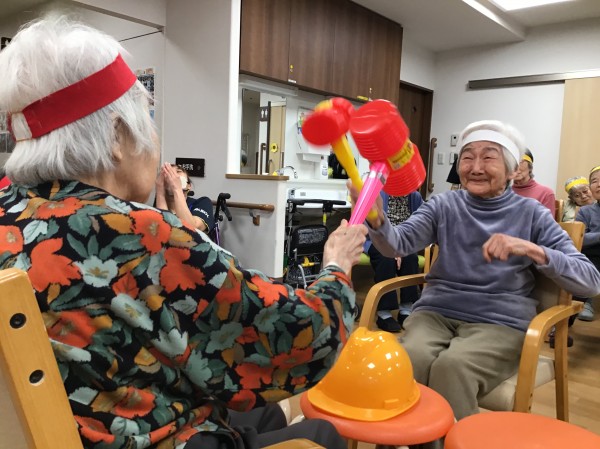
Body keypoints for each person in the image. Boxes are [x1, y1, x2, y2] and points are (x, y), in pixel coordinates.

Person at [0, 16, 368, 449]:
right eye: (148, 119)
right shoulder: (139, 235)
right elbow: (303, 334)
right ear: (117, 135)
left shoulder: (11, 212)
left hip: (86, 418)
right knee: (321, 432)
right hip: (155, 435)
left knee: (262, 412)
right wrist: (336, 266)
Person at [349, 120, 600, 423]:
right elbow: (398, 245)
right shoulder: (443, 204)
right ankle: (403, 439)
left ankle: (450, 441)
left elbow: (590, 281)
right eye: (467, 157)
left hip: (500, 321)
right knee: (407, 361)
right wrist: (377, 219)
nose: (475, 167)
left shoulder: (531, 213)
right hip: (436, 313)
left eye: (489, 157)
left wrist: (533, 250)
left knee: (452, 367)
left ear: (512, 170)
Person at [366, 190, 423, 332]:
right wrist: (392, 248)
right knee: (386, 258)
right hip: (378, 240)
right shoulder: (378, 194)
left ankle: (406, 310)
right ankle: (384, 314)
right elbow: (368, 226)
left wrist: (401, 248)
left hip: (405, 242)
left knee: (411, 258)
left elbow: (420, 225)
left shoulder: (415, 197)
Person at [155, 162, 215, 234]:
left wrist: (177, 189)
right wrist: (160, 192)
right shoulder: (159, 202)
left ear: (188, 185)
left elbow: (191, 229)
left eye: (178, 171)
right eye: (168, 173)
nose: (173, 177)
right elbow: (163, 230)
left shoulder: (202, 202)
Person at [575, 165, 600, 322]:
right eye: (594, 181)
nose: (598, 184)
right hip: (591, 258)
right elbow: (579, 239)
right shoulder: (585, 211)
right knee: (580, 266)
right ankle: (584, 302)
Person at [512, 148, 556, 217]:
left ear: (530, 167)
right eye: (512, 162)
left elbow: (547, 223)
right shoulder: (503, 193)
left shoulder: (546, 193)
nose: (516, 167)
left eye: (521, 161)